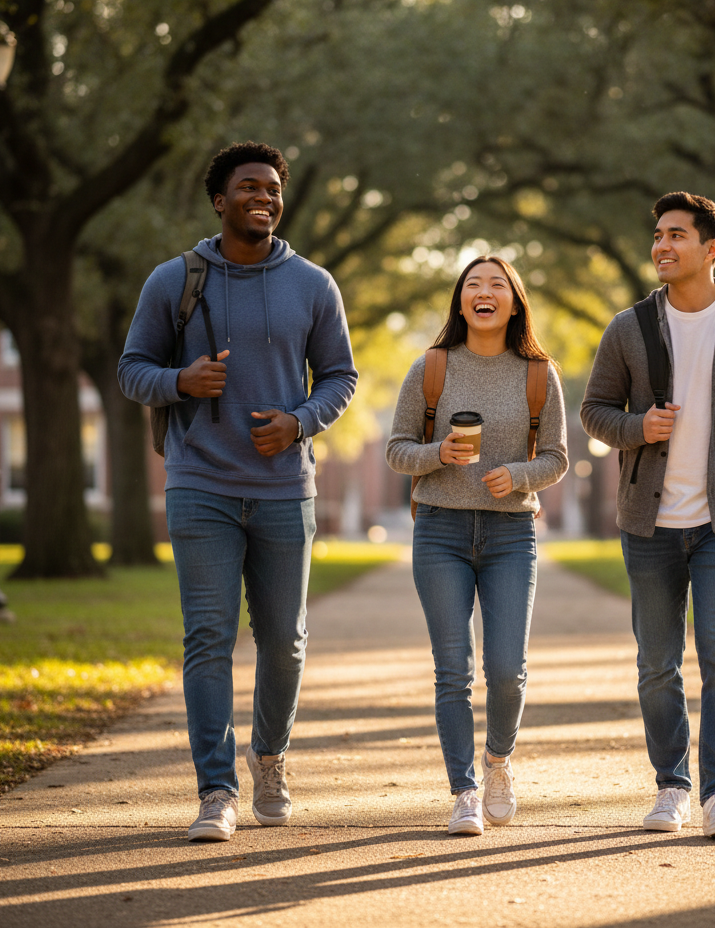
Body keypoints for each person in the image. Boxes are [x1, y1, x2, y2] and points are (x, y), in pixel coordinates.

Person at [118, 141, 358, 842]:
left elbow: (340, 377)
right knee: (208, 639)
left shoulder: (313, 284)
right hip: (201, 484)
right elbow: (132, 369)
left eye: (273, 188)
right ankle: (216, 789)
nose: (264, 197)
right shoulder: (174, 280)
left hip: (286, 488)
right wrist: (180, 382)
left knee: (284, 642)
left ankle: (271, 760)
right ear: (219, 200)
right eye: (249, 187)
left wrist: (300, 422)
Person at [580, 192, 715, 840]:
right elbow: (595, 411)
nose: (661, 246)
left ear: (712, 248)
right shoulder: (631, 328)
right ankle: (671, 785)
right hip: (649, 526)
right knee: (657, 663)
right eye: (657, 235)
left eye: (676, 235)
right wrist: (638, 426)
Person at [386, 256, 568, 835]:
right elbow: (396, 450)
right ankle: (463, 790)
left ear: (514, 302)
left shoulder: (538, 373)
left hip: (511, 533)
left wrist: (517, 475)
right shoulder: (431, 368)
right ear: (460, 302)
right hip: (440, 527)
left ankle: (497, 762)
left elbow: (558, 458)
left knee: (507, 669)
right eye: (473, 285)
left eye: (497, 285)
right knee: (452, 669)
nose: (484, 292)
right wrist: (438, 454)